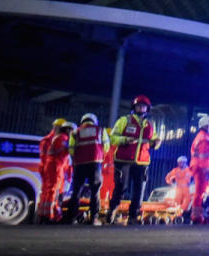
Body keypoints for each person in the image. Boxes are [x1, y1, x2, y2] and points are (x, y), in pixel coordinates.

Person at [107, 95, 161, 225]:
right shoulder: (124, 120)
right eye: (138, 106)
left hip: (142, 162)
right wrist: (124, 140)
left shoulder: (150, 124)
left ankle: (133, 215)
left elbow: (154, 140)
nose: (141, 108)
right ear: (134, 107)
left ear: (147, 109)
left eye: (143, 106)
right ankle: (112, 210)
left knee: (139, 190)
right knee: (121, 187)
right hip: (124, 160)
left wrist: (156, 143)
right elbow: (113, 137)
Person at [63, 114, 108, 225]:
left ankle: (71, 218)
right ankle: (94, 218)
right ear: (94, 121)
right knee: (95, 192)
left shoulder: (75, 132)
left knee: (77, 191)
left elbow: (71, 150)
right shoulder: (101, 130)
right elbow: (106, 147)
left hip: (80, 164)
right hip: (95, 163)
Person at [189, 115, 209, 223]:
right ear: (205, 127)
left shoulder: (203, 137)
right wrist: (208, 172)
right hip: (203, 171)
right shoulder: (204, 139)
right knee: (201, 194)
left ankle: (198, 215)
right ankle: (197, 217)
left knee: (201, 193)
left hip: (201, 169)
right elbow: (204, 158)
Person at [41, 121, 75, 223]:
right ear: (68, 130)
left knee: (51, 191)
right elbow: (66, 151)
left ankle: (46, 214)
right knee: (53, 191)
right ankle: (49, 215)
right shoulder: (62, 138)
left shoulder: (59, 138)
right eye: (72, 131)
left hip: (55, 166)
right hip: (56, 166)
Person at [36, 117, 65, 223]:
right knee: (53, 191)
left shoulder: (47, 140)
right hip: (54, 168)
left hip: (48, 168)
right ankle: (50, 215)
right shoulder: (58, 139)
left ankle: (42, 214)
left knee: (46, 192)